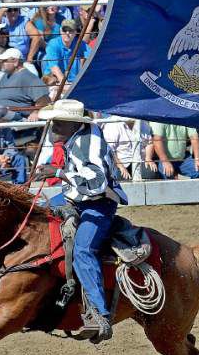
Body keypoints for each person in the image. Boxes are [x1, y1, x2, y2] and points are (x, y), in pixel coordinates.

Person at [31, 99, 127, 342]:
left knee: (84, 249)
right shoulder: (77, 138)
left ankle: (100, 314)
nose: (52, 126)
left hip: (98, 202)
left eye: (58, 122)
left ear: (73, 124)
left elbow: (97, 183)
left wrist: (58, 172)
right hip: (76, 196)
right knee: (39, 215)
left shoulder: (88, 144)